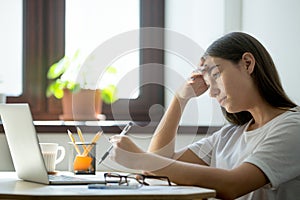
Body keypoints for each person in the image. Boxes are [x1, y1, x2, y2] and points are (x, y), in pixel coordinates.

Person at [109, 32, 300, 199]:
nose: (211, 92)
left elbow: (233, 185)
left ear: (247, 64)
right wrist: (180, 99)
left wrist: (140, 158)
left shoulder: (293, 127)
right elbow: (156, 171)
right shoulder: (228, 136)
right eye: (208, 84)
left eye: (216, 75)